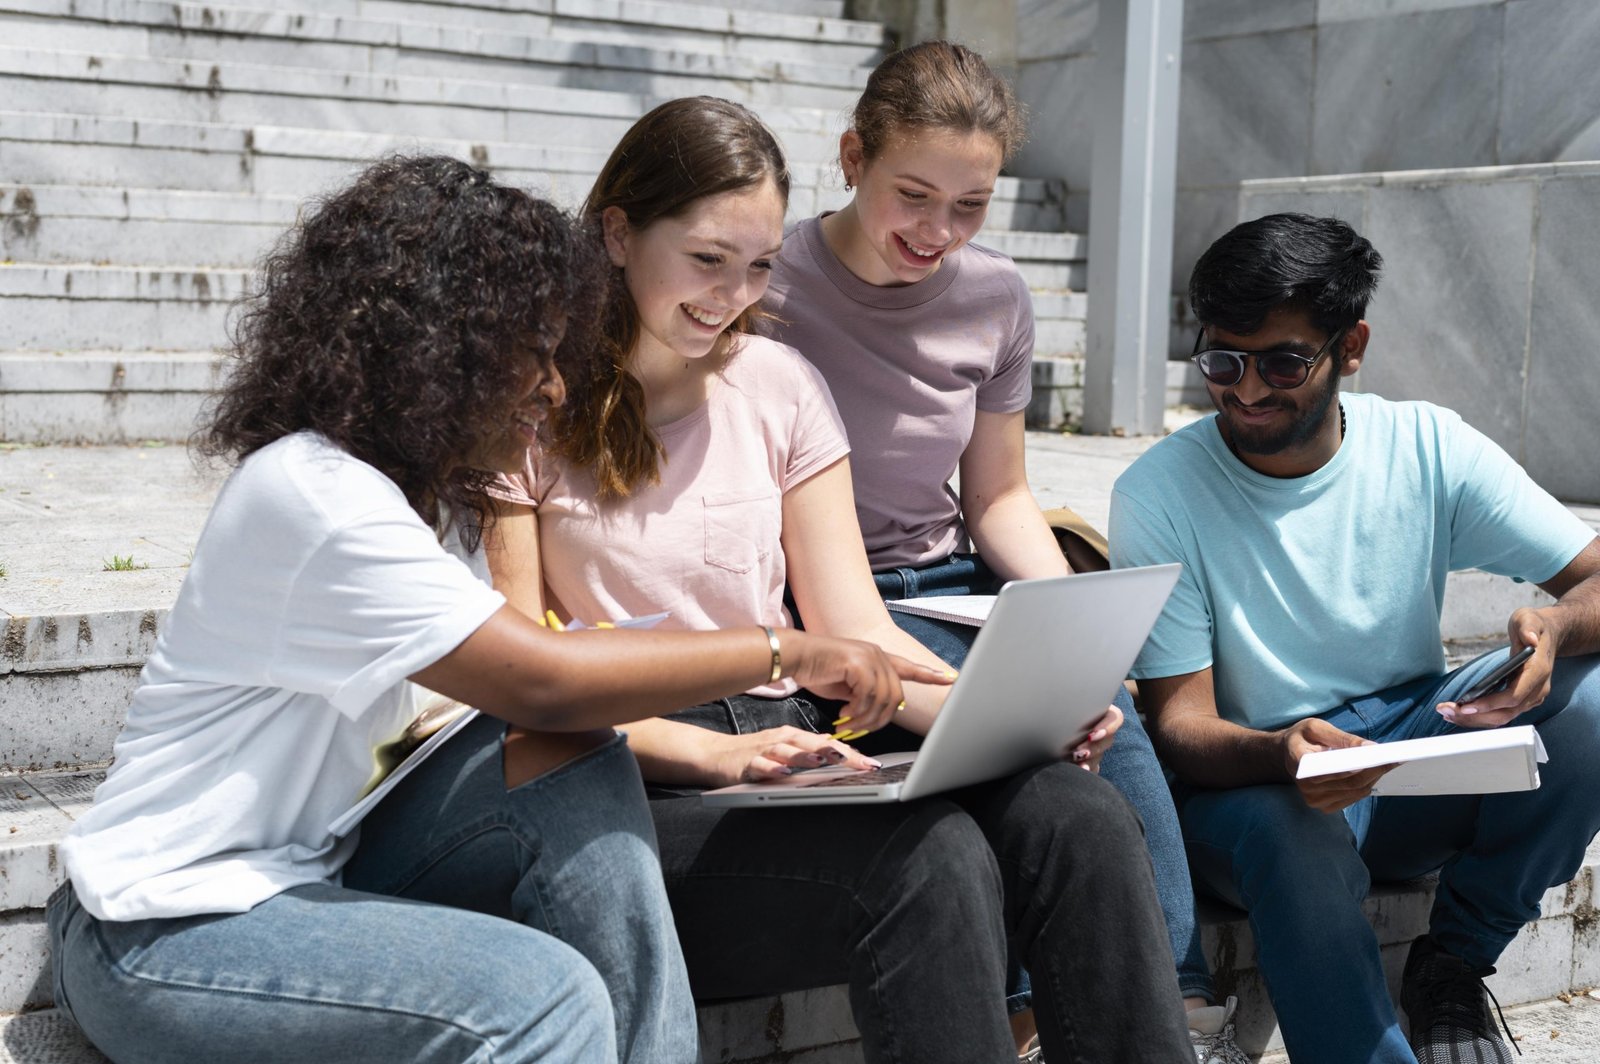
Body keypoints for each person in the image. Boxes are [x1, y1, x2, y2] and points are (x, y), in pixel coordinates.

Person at [45, 154, 943, 1064]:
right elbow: (543, 679)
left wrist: (719, 749)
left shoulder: (430, 497)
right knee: (541, 996)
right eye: (535, 355)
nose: (556, 388)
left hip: (323, 864)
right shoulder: (314, 497)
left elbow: (542, 712)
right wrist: (781, 649)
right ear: (440, 349)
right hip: (162, 930)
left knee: (572, 762)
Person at [493, 95, 1193, 1064]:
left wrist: (1003, 711)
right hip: (641, 773)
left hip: (803, 738)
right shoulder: (523, 410)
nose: (733, 293)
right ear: (616, 232)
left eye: (761, 265)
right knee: (927, 857)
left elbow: (855, 622)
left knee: (1076, 814)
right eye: (706, 259)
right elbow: (522, 685)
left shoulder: (778, 382)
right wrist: (720, 757)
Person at [760, 39, 1241, 1062]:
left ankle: (1175, 1005)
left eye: (969, 205)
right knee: (1024, 751)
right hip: (822, 600)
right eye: (913, 193)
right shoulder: (771, 285)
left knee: (1108, 707)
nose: (937, 231)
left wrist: (1068, 614)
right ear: (852, 155)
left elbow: (999, 494)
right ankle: (1034, 1011)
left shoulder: (994, 297)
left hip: (950, 582)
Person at [1108, 211, 1600, 1064]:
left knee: (1591, 702)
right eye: (1223, 360)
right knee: (1288, 829)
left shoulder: (1427, 446)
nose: (1248, 390)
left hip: (1409, 752)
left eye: (1284, 362)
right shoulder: (1161, 492)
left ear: (1352, 346)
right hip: (1253, 786)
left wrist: (1556, 624)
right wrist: (1281, 753)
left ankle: (1451, 965)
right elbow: (1181, 728)